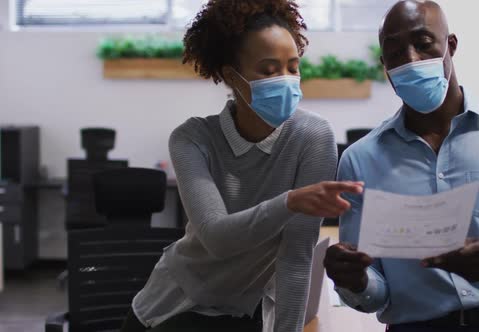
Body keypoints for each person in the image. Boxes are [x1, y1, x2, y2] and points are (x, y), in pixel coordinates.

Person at [323, 1, 479, 332]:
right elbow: (374, 293)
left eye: (423, 42)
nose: (411, 59)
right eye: (395, 51)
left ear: (451, 45)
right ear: (383, 64)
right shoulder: (360, 160)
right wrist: (354, 280)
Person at [120, 1, 363, 331]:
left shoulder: (313, 137)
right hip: (174, 304)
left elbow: (297, 257)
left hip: (246, 310)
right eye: (268, 70)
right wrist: (289, 202)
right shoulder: (192, 138)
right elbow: (217, 237)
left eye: (293, 67)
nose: (287, 79)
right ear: (230, 75)